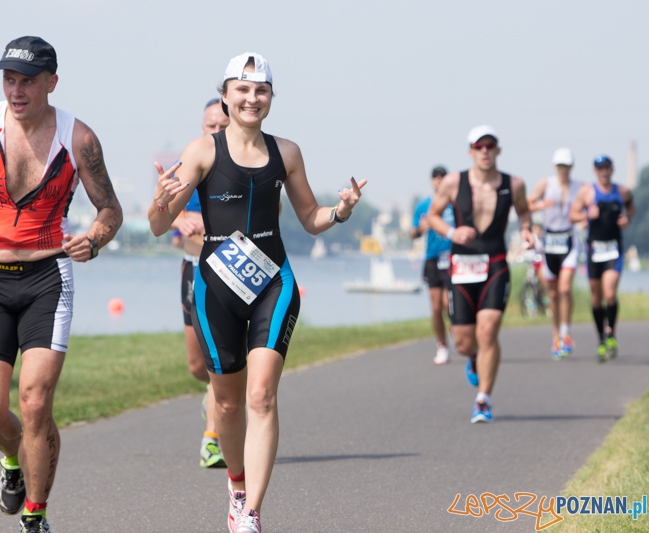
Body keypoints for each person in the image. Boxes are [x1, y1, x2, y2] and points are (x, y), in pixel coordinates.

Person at [148, 53, 366, 533]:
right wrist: (160, 201)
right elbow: (160, 226)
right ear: (225, 97)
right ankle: (237, 482)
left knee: (262, 397)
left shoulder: (286, 152)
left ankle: (251, 513)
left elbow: (311, 219)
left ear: (270, 98)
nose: (251, 98)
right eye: (241, 90)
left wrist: (343, 210)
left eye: (261, 90)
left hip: (273, 281)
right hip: (215, 289)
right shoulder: (203, 150)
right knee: (227, 404)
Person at [0, 36, 123, 533]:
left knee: (35, 402)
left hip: (47, 278)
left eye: (28, 81)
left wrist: (94, 240)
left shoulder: (78, 138)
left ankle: (35, 517)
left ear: (51, 83)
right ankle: (15, 460)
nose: (16, 91)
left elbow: (111, 210)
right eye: (9, 80)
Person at [428, 125, 533, 423]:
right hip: (462, 265)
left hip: (496, 263)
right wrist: (452, 231)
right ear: (471, 151)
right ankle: (474, 358)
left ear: (498, 150)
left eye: (490, 145)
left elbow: (524, 212)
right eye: (479, 146)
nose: (485, 151)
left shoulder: (514, 184)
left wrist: (526, 230)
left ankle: (483, 400)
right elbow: (433, 216)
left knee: (488, 331)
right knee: (463, 341)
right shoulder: (452, 182)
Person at [170, 97, 229, 468]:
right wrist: (179, 222)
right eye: (212, 127)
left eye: (224, 126)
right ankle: (213, 399)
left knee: (218, 361)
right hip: (194, 269)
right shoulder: (191, 165)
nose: (218, 133)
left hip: (233, 276)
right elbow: (167, 217)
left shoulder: (249, 165)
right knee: (197, 366)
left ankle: (213, 440)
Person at [569, 155, 634, 362]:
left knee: (609, 292)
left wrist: (627, 218)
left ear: (612, 170)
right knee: (596, 298)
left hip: (614, 249)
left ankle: (611, 333)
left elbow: (631, 209)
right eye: (600, 169)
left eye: (607, 168)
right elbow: (572, 214)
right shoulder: (587, 192)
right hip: (594, 250)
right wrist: (587, 215)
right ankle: (601, 339)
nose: (604, 172)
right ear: (594, 171)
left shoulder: (622, 192)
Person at [528, 148, 582, 359]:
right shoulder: (545, 183)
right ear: (555, 167)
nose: (563, 170)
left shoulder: (579, 187)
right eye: (560, 166)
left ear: (571, 167)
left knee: (565, 288)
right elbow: (527, 204)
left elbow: (589, 204)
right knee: (552, 293)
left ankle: (566, 333)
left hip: (569, 239)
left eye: (567, 166)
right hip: (549, 241)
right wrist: (541, 204)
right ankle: (556, 335)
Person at [411, 165, 455, 365]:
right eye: (435, 177)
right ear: (432, 181)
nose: (439, 180)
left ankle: (458, 333)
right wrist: (421, 228)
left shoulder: (455, 203)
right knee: (436, 306)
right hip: (432, 258)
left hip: (452, 257)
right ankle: (442, 345)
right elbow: (413, 233)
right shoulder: (423, 206)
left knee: (449, 304)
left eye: (442, 176)